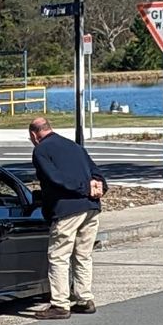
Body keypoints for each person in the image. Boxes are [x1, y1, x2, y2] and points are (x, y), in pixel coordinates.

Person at [27, 109, 106, 314]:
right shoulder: (75, 146)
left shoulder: (41, 150)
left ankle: (60, 304)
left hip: (67, 210)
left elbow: (55, 179)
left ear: (34, 135)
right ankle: (84, 298)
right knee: (83, 255)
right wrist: (98, 187)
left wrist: (83, 188)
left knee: (59, 256)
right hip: (91, 207)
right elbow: (97, 174)